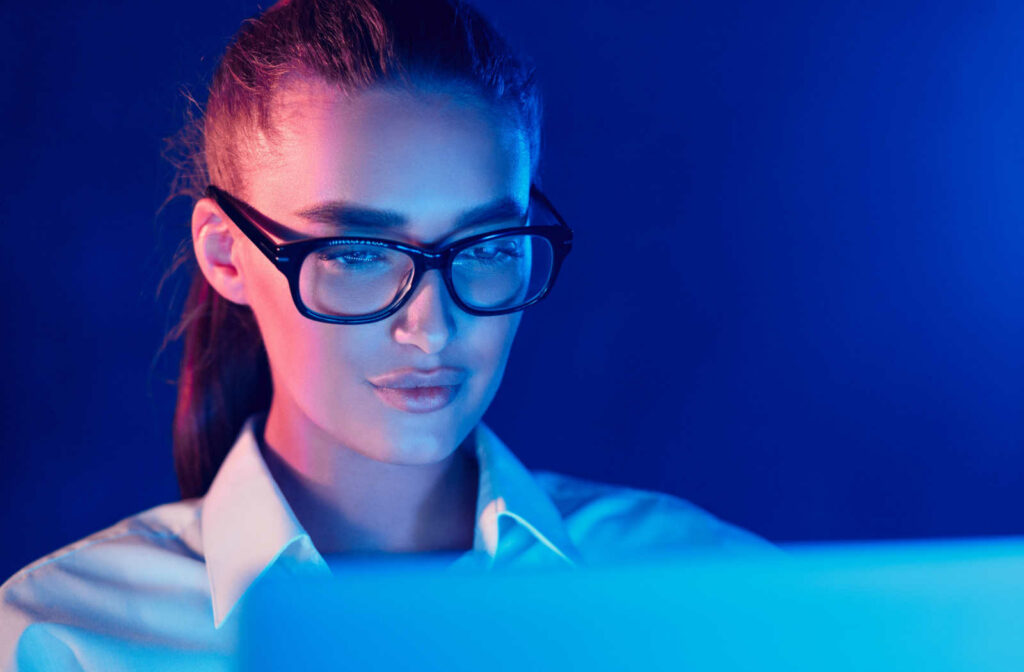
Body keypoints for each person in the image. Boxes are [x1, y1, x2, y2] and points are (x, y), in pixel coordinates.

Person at [0, 0, 770, 668]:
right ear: (226, 255)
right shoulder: (58, 644)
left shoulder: (716, 595)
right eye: (357, 254)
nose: (432, 326)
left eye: (491, 246)